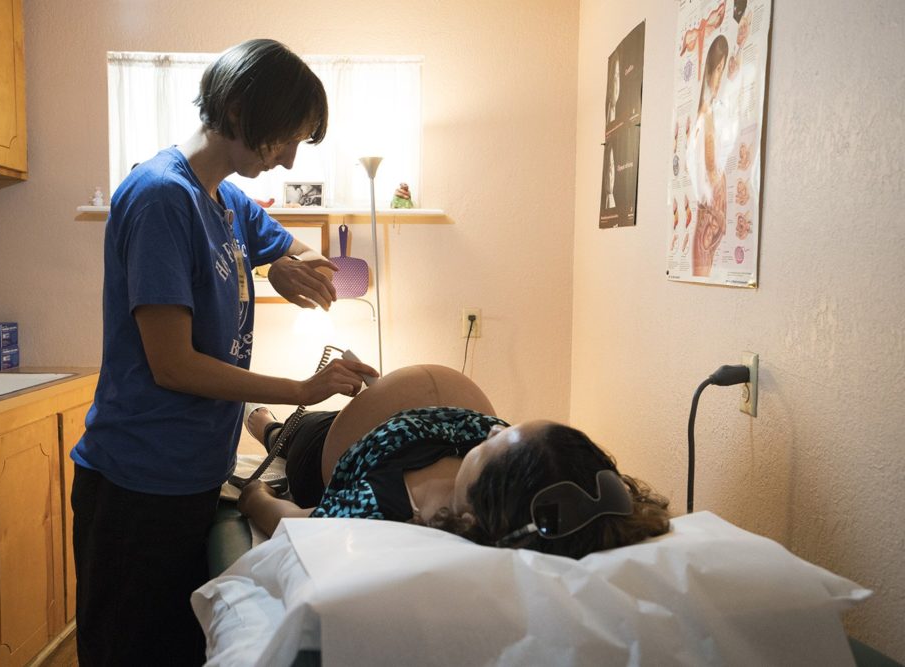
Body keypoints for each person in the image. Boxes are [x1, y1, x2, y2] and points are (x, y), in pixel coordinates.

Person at [70, 39, 377, 667]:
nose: (291, 158)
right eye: (286, 138)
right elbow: (173, 365)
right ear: (240, 107)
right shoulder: (161, 196)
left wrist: (287, 266)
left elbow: (305, 256)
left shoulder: (227, 202)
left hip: (193, 477)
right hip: (138, 482)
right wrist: (301, 391)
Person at [237, 365, 670, 560]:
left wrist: (252, 492)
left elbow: (290, 521)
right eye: (508, 427)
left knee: (287, 434)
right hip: (385, 401)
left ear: (477, 504)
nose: (494, 430)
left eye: (495, 444)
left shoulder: (383, 507)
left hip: (327, 442)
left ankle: (266, 426)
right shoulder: (538, 469)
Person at [686, 34, 730, 277]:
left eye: (724, 71)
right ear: (710, 70)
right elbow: (710, 166)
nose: (719, 78)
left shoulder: (714, 113)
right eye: (718, 70)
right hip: (709, 224)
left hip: (714, 223)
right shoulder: (705, 116)